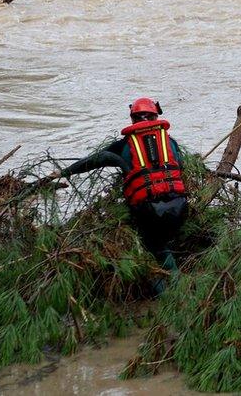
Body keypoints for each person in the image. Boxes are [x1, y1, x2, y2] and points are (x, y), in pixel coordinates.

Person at [48, 97, 188, 279]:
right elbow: (180, 166)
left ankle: (170, 289)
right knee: (164, 241)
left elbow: (96, 159)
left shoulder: (124, 145)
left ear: (132, 119)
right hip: (180, 207)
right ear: (155, 117)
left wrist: (63, 173)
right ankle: (174, 267)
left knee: (153, 249)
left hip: (150, 211)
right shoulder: (169, 142)